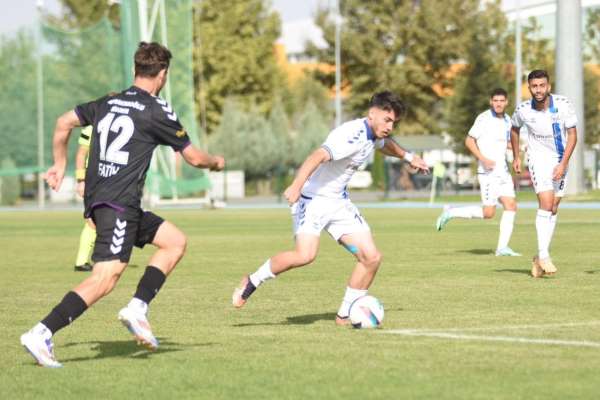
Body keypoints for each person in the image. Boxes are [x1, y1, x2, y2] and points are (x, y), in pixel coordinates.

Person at [20, 41, 225, 367]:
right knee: (105, 277)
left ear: (134, 70)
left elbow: (62, 122)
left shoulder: (109, 100)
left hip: (106, 201)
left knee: (174, 242)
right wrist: (215, 162)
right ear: (163, 75)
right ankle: (42, 332)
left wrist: (59, 165)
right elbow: (194, 158)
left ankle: (138, 308)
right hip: (118, 205)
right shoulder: (159, 109)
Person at [231, 91, 429, 325]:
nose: (390, 126)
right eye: (387, 120)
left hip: (339, 203)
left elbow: (386, 145)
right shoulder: (350, 134)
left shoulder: (374, 134)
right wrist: (296, 185)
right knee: (305, 256)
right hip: (312, 200)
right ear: (372, 113)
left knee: (372, 258)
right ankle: (252, 281)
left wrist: (409, 157)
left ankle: (344, 315)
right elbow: (317, 155)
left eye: (393, 122)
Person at [436, 88, 520, 257]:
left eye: (501, 101)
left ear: (506, 102)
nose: (498, 103)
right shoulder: (483, 118)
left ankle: (502, 248)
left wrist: (521, 149)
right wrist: (483, 158)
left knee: (511, 206)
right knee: (489, 213)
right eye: (495, 100)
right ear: (491, 102)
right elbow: (469, 140)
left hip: (503, 172)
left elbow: (505, 143)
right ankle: (451, 212)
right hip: (488, 172)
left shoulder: (507, 120)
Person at [511, 69, 577, 277]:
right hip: (538, 160)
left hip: (560, 159)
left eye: (542, 85)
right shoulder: (523, 110)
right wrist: (516, 156)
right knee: (546, 204)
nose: (538, 90)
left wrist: (563, 163)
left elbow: (573, 135)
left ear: (548, 86)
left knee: (554, 208)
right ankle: (544, 255)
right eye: (534, 86)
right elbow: (513, 129)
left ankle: (538, 259)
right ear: (529, 88)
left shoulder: (563, 104)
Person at [73, 125, 96, 272]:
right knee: (92, 221)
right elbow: (81, 154)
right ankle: (81, 262)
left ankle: (85, 261)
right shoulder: (90, 128)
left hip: (111, 180)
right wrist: (81, 181)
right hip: (93, 179)